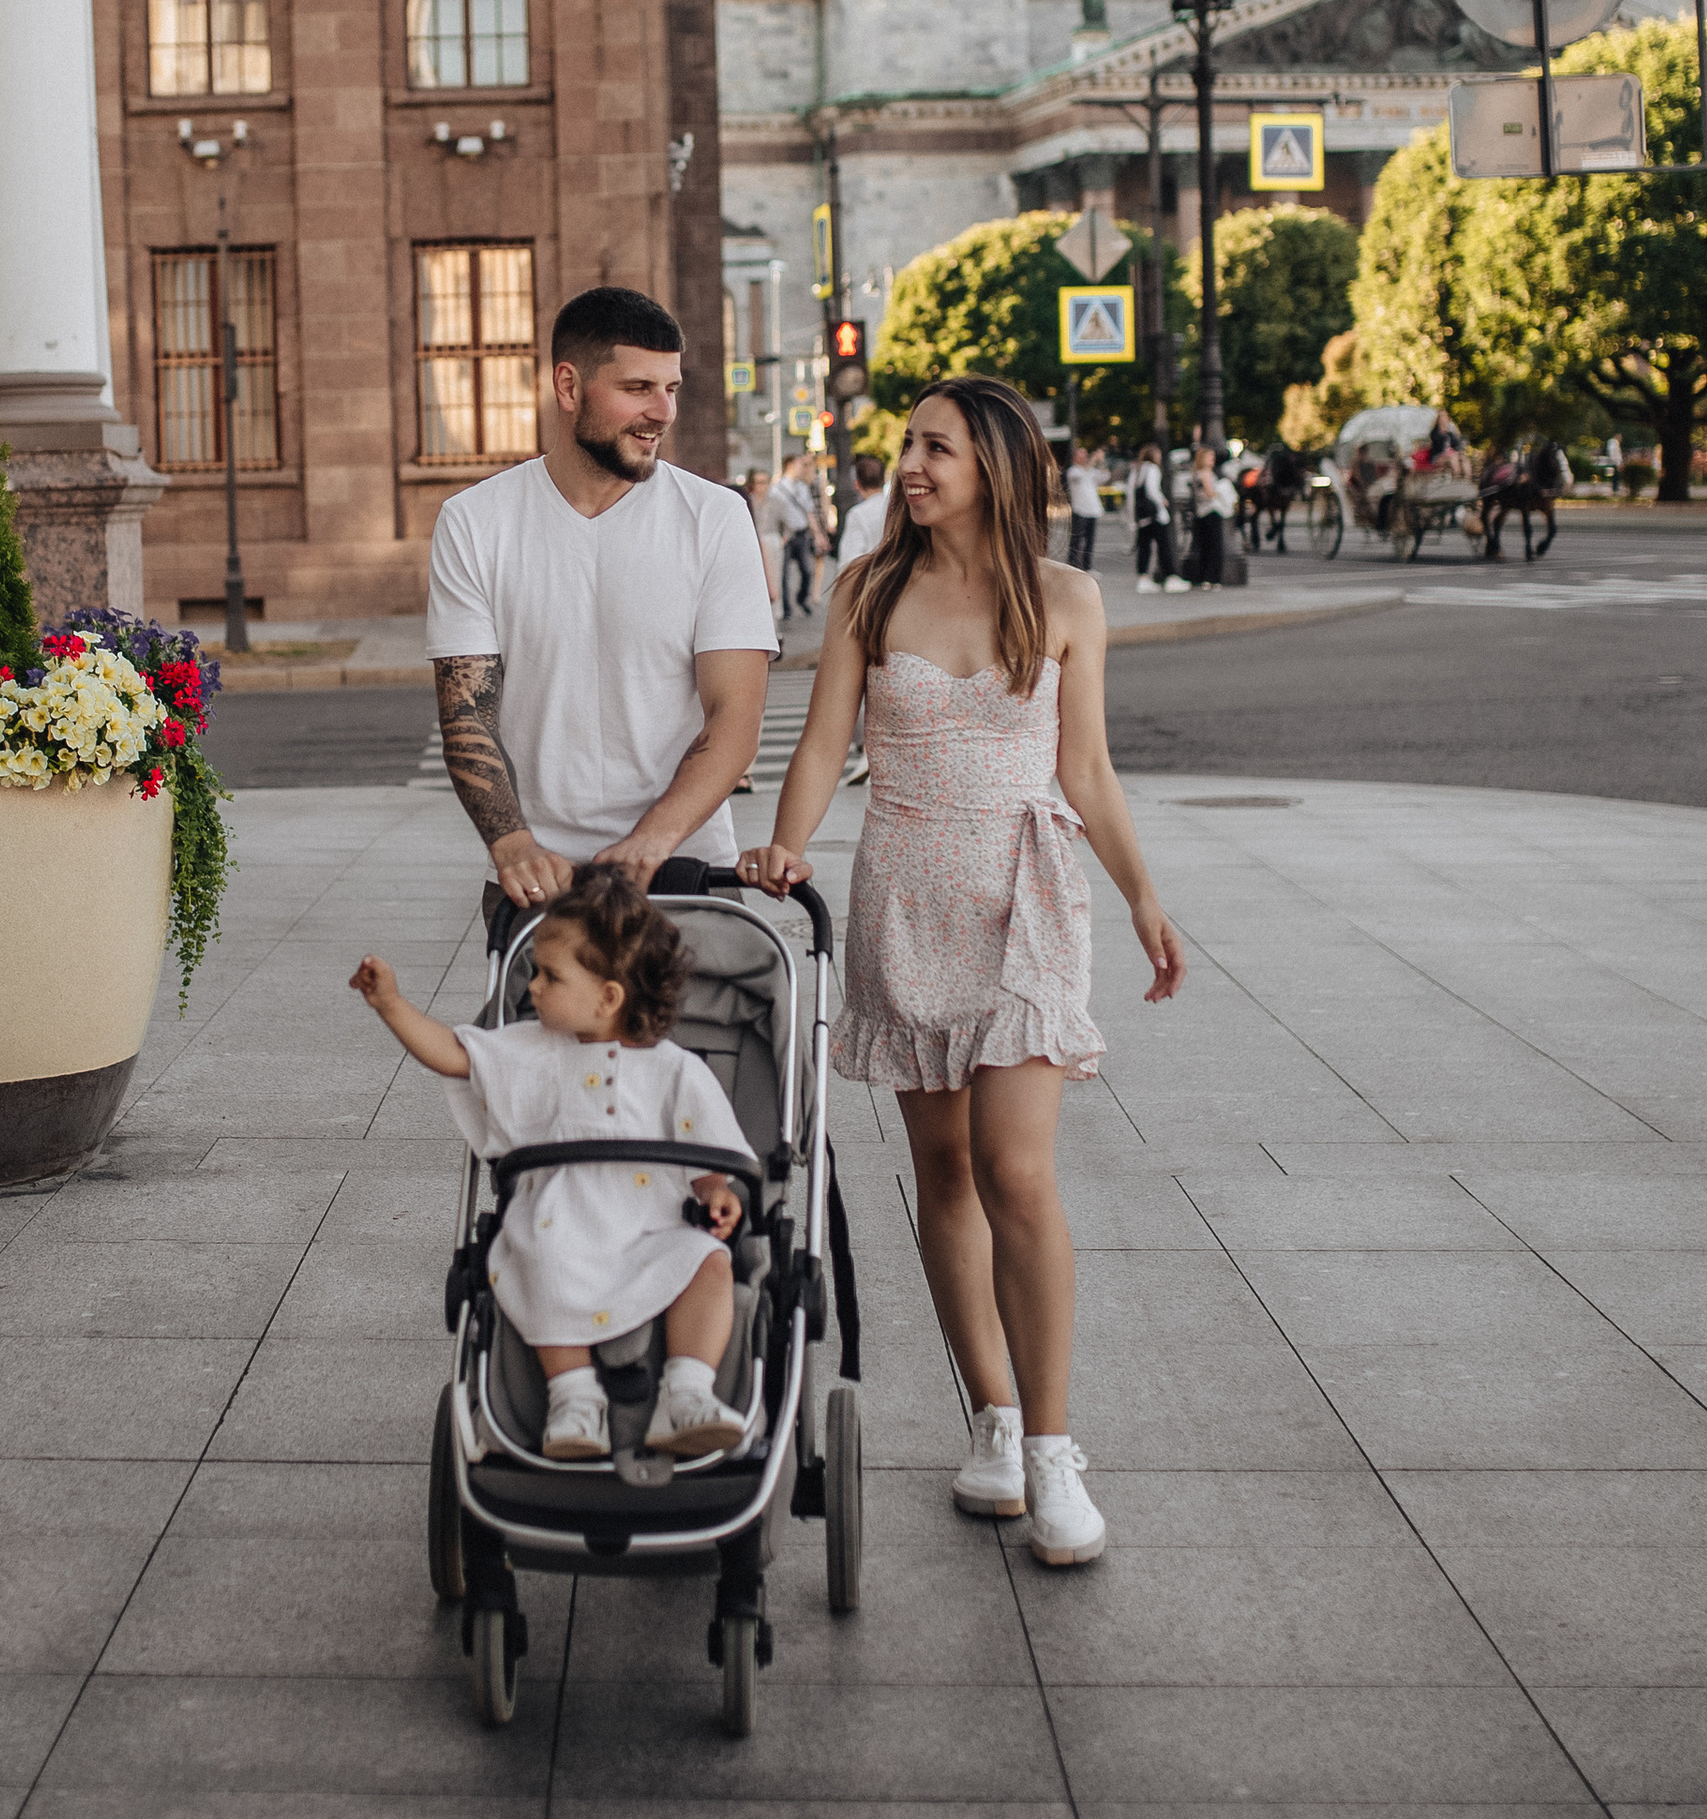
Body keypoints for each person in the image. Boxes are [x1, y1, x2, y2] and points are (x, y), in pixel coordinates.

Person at [741, 376, 1186, 1564]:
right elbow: (824, 742)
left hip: (1027, 893)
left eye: (934, 446)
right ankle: (987, 1419)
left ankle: (1051, 1451)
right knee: (941, 1169)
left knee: (1015, 1170)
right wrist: (788, 847)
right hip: (906, 887)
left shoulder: (1067, 599)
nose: (911, 465)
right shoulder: (867, 591)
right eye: (907, 446)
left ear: (993, 462)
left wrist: (1143, 895)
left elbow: (1084, 769)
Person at [351, 868, 754, 1460]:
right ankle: (573, 1398)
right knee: (538, 1265)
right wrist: (390, 1003)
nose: (533, 988)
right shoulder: (529, 1050)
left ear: (609, 996)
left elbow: (707, 1146)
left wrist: (717, 1189)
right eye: (536, 972)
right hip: (559, 1224)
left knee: (709, 1263)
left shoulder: (675, 1070)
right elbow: (454, 1056)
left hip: (652, 1228)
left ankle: (686, 1394)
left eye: (550, 976)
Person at [426, 285, 777, 914]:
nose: (663, 412)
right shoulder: (475, 521)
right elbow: (466, 714)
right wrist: (510, 844)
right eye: (638, 388)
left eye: (671, 388)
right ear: (568, 387)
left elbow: (735, 718)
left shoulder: (716, 517)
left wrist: (652, 842)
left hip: (685, 869)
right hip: (540, 881)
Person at [763, 460, 818, 619]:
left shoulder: (802, 488)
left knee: (807, 571)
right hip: (786, 535)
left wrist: (817, 534)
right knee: (783, 573)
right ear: (790, 466)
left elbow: (809, 511)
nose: (803, 468)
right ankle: (786, 608)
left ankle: (801, 598)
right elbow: (772, 514)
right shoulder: (777, 489)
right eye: (800, 465)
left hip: (801, 533)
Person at [1130, 442, 1185, 594]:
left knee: (1144, 548)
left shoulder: (1138, 469)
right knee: (1164, 546)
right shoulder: (1153, 469)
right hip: (1155, 515)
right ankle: (1171, 577)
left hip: (1143, 517)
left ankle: (1143, 577)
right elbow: (1152, 491)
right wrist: (1163, 501)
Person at [836, 452, 890, 570]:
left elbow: (849, 562)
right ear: (883, 480)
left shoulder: (857, 515)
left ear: (857, 484)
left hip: (872, 581)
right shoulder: (897, 509)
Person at [1188, 445, 1232, 590]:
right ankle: (1213, 578)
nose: (1212, 460)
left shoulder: (1195, 473)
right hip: (1212, 510)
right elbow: (1210, 492)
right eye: (1210, 457)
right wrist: (1221, 492)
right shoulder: (1206, 473)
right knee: (1215, 546)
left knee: (1204, 546)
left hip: (1200, 512)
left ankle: (1205, 577)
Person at [1063, 438, 1103, 572]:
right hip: (1079, 509)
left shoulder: (1090, 471)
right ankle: (1072, 565)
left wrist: (1101, 462)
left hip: (1093, 510)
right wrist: (1093, 461)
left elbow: (1105, 476)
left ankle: (1087, 566)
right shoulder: (1073, 471)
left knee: (1089, 541)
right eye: (1081, 454)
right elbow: (1081, 475)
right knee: (1076, 540)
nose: (1084, 457)